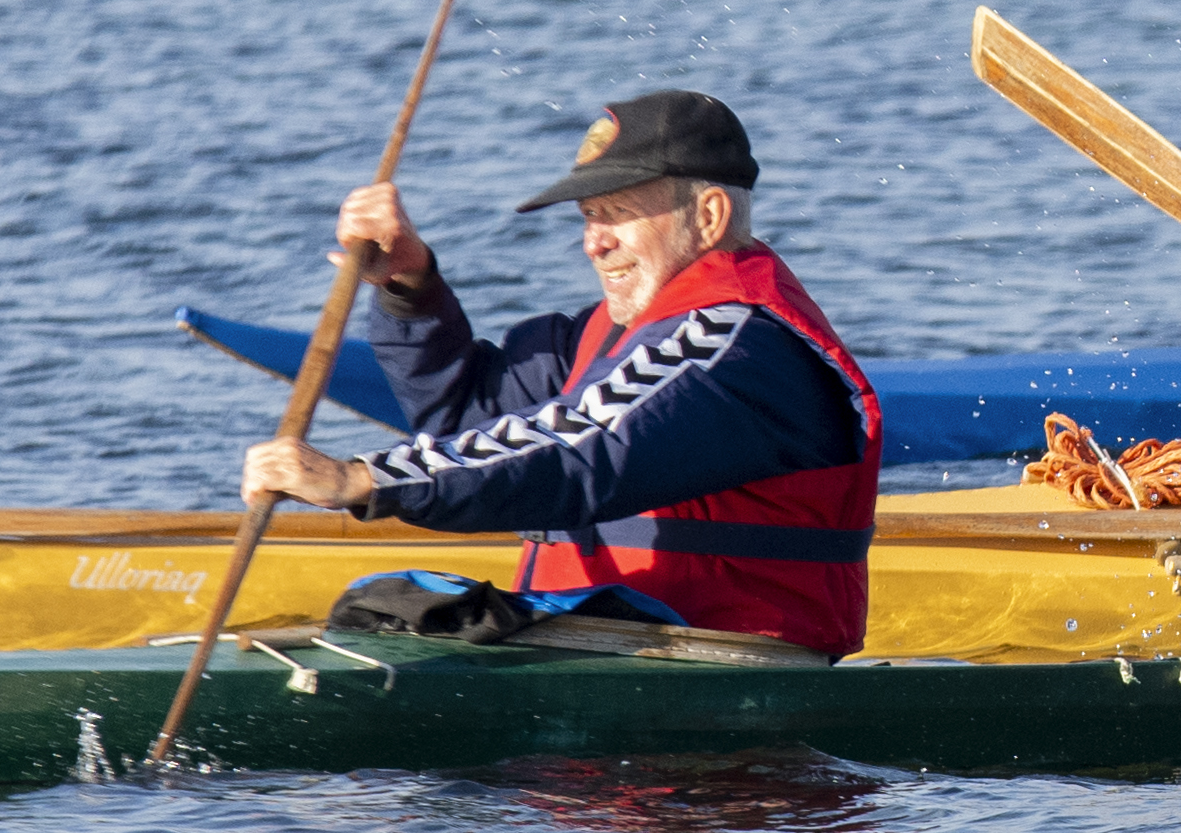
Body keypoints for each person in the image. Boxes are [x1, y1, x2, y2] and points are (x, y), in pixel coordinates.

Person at [234, 89, 884, 660]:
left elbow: (576, 453)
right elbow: (467, 417)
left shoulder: (736, 344)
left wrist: (360, 478)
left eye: (618, 213)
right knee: (392, 604)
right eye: (589, 217)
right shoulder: (608, 334)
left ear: (709, 216)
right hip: (621, 650)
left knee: (394, 607)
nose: (592, 242)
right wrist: (410, 288)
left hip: (723, 665)